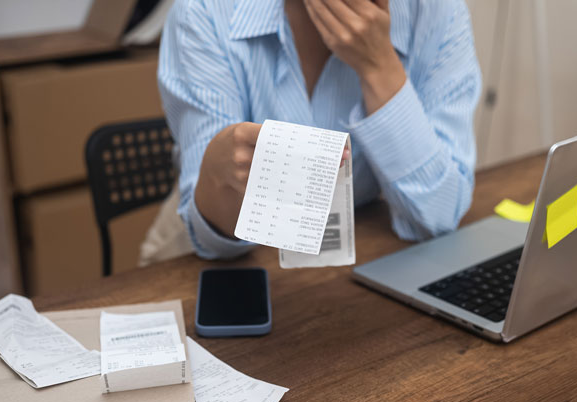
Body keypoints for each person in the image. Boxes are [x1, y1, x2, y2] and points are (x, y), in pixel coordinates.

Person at [158, 0, 481, 260]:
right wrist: (218, 175)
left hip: (352, 254)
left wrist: (379, 65)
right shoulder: (202, 12)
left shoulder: (439, 13)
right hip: (208, 255)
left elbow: (439, 215)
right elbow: (215, 243)